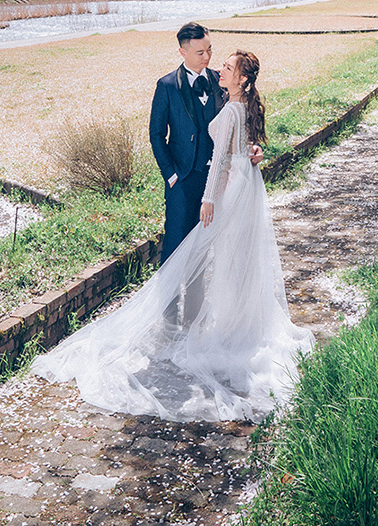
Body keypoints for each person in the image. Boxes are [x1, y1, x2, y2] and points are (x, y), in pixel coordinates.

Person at [31, 50, 314, 421]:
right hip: (243, 184)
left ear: (242, 79)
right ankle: (235, 325)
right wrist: (245, 154)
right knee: (237, 258)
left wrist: (210, 198)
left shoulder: (230, 105)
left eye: (225, 65)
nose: (217, 66)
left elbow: (222, 158)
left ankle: (230, 329)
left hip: (229, 186)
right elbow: (223, 146)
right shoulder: (229, 100)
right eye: (213, 58)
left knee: (228, 258)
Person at [148, 21, 261, 262]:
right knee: (175, 248)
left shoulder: (220, 81)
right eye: (200, 52)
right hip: (182, 178)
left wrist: (252, 147)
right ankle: (168, 301)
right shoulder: (166, 86)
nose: (208, 56)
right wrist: (171, 175)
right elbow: (156, 135)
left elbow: (238, 123)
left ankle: (197, 301)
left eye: (210, 49)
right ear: (183, 52)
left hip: (220, 182)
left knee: (210, 252)